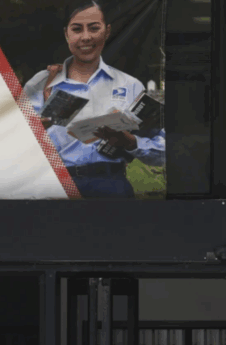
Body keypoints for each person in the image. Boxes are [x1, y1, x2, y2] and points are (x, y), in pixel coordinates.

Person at [23, 0, 165, 198]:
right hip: (56, 185)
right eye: (77, 29)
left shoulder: (130, 85)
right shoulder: (41, 83)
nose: (86, 37)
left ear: (107, 32)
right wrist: (34, 131)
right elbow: (12, 146)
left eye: (94, 28)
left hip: (112, 185)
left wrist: (131, 142)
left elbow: (163, 152)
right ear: (67, 34)